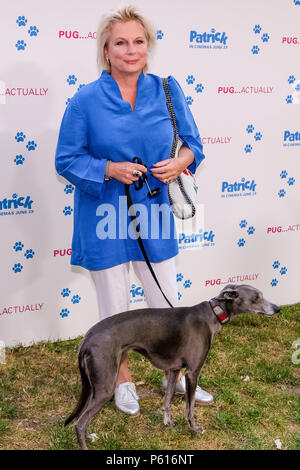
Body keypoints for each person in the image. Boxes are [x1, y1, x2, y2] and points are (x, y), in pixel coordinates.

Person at [55, 5, 213, 416]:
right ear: (106, 51)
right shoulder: (85, 100)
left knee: (168, 301)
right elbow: (66, 160)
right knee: (115, 308)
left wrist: (181, 162)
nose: (130, 50)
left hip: (155, 210)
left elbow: (193, 142)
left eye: (138, 41)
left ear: (148, 46)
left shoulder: (167, 89)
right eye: (120, 43)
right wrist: (108, 168)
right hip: (103, 214)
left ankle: (176, 378)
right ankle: (121, 380)